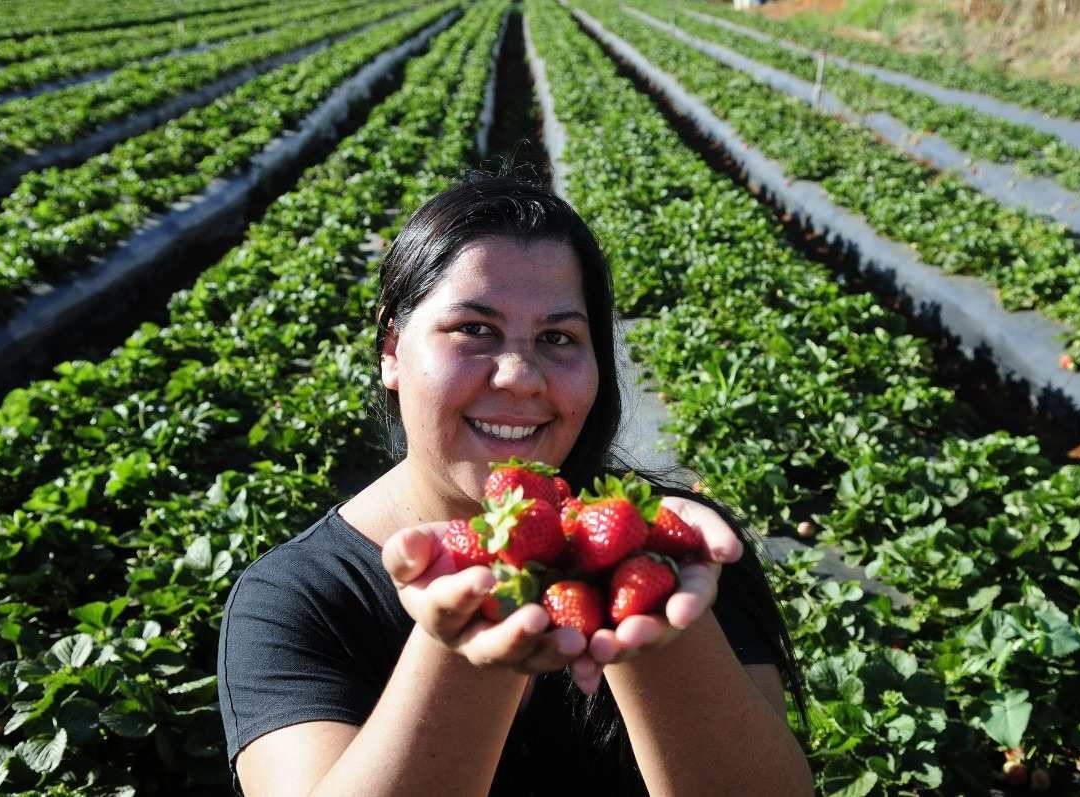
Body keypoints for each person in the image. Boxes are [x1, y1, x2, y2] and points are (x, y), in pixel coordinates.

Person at [217, 174, 815, 795]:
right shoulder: (297, 601)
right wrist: (463, 647)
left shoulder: (678, 552)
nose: (521, 376)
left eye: (558, 338)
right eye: (474, 330)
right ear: (392, 348)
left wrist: (650, 603)